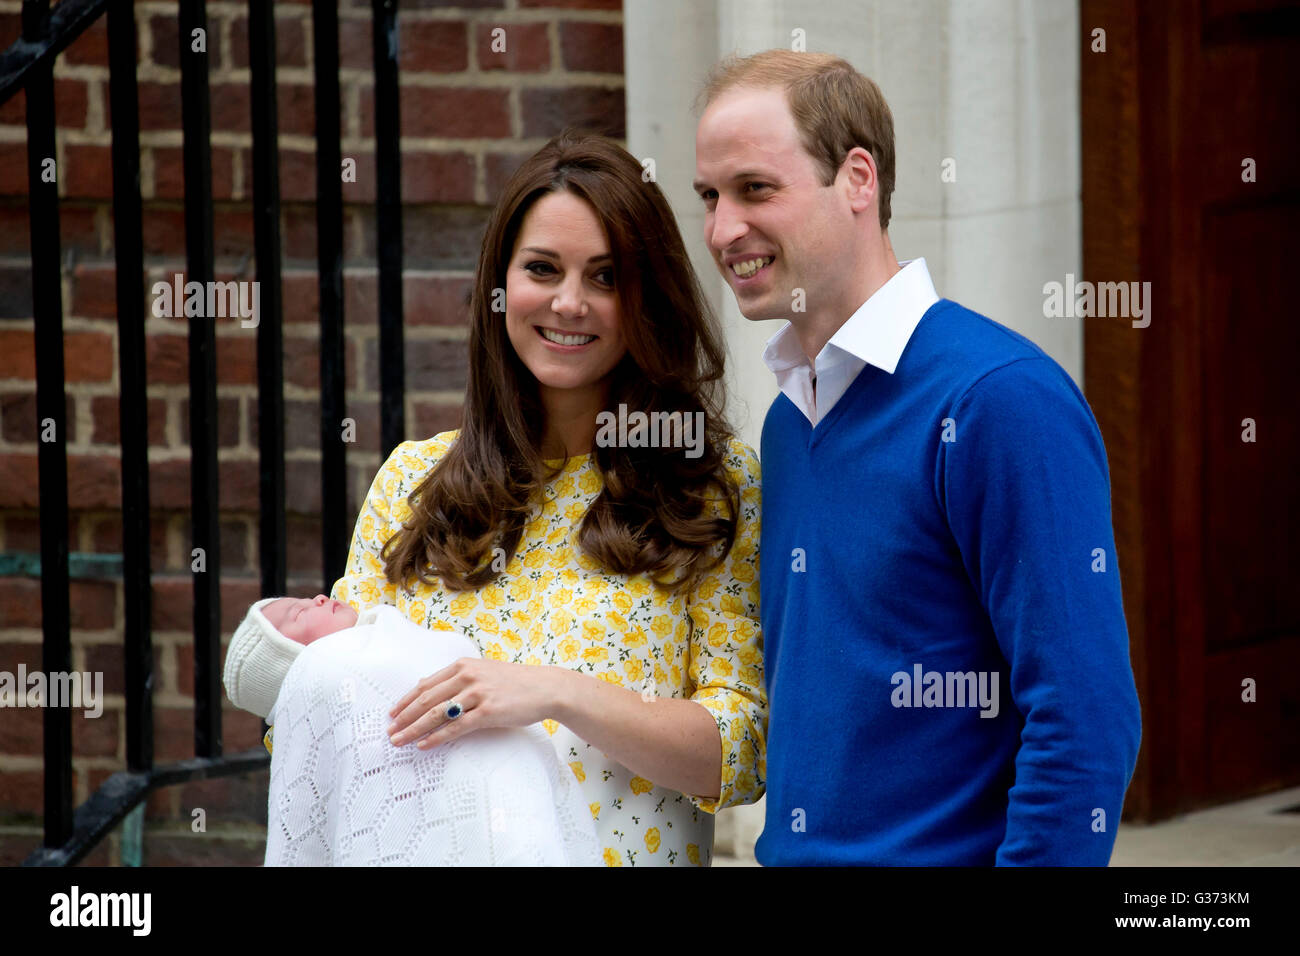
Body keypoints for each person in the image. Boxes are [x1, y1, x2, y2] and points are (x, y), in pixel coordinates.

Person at [692, 50, 1141, 865]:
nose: (724, 230)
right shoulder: (792, 421)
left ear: (858, 179)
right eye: (710, 198)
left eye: (756, 189)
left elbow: (1086, 716)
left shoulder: (1000, 401)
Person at [326, 129, 766, 867]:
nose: (569, 303)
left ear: (645, 298)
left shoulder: (712, 487)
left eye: (605, 277)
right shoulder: (412, 481)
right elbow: (320, 714)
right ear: (502, 287)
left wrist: (559, 694)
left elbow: (742, 754)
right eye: (542, 269)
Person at [223, 595, 601, 866]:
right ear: (291, 666)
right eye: (299, 612)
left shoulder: (392, 639)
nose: (319, 598)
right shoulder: (332, 671)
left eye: (307, 598)